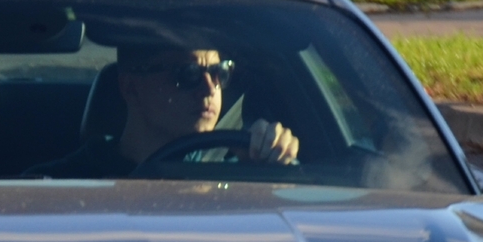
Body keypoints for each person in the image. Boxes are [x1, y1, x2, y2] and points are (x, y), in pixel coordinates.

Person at [34, 44, 297, 178]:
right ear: (130, 87)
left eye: (219, 72)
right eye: (188, 74)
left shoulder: (242, 170)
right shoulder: (57, 185)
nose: (209, 89)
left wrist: (275, 163)